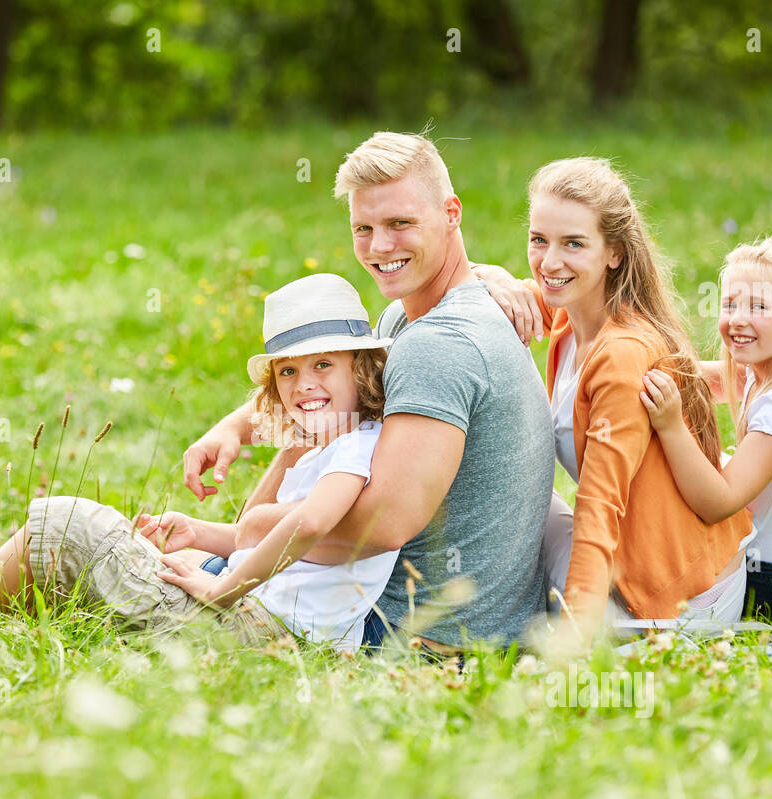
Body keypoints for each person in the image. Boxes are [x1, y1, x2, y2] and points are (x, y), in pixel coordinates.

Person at [182, 131, 554, 653]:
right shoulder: (406, 316)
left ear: (452, 214)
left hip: (409, 637)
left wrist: (249, 531)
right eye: (364, 228)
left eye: (400, 223)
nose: (380, 247)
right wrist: (239, 426)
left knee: (68, 533)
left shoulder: (438, 345)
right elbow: (336, 400)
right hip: (381, 608)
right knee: (124, 545)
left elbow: (382, 525)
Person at [0, 273, 399, 651]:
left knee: (71, 523)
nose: (303, 384)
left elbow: (309, 524)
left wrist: (224, 589)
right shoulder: (327, 443)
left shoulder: (356, 448)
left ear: (363, 368)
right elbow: (269, 537)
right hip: (256, 615)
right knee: (124, 548)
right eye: (288, 371)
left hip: (259, 634)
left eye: (323, 365)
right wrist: (200, 532)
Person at [472, 157, 752, 628]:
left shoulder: (620, 356)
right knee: (504, 503)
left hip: (678, 599)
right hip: (639, 560)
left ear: (614, 253)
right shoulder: (571, 310)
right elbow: (503, 290)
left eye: (573, 244)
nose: (549, 262)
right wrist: (491, 275)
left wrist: (574, 637)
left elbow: (598, 509)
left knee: (510, 521)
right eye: (539, 240)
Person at [639, 236, 772, 615]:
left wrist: (672, 426)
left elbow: (717, 504)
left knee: (669, 488)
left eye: (759, 306)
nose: (738, 317)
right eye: (730, 304)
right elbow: (705, 380)